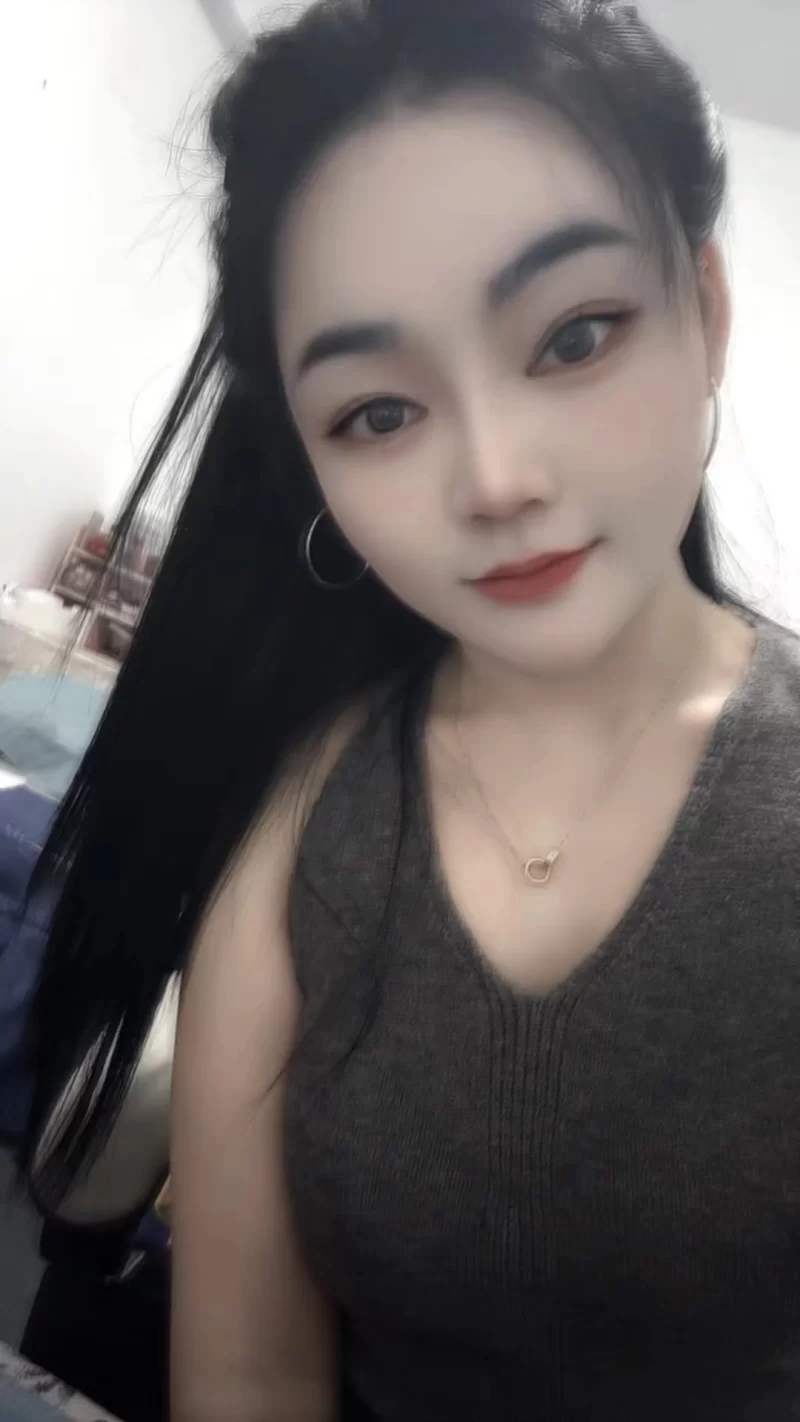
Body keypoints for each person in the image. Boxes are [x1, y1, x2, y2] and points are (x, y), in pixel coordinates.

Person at [18, 0, 800, 1417]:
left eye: (576, 335)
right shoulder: (304, 820)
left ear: (709, 311)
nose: (495, 479)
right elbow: (248, 1380)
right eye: (378, 413)